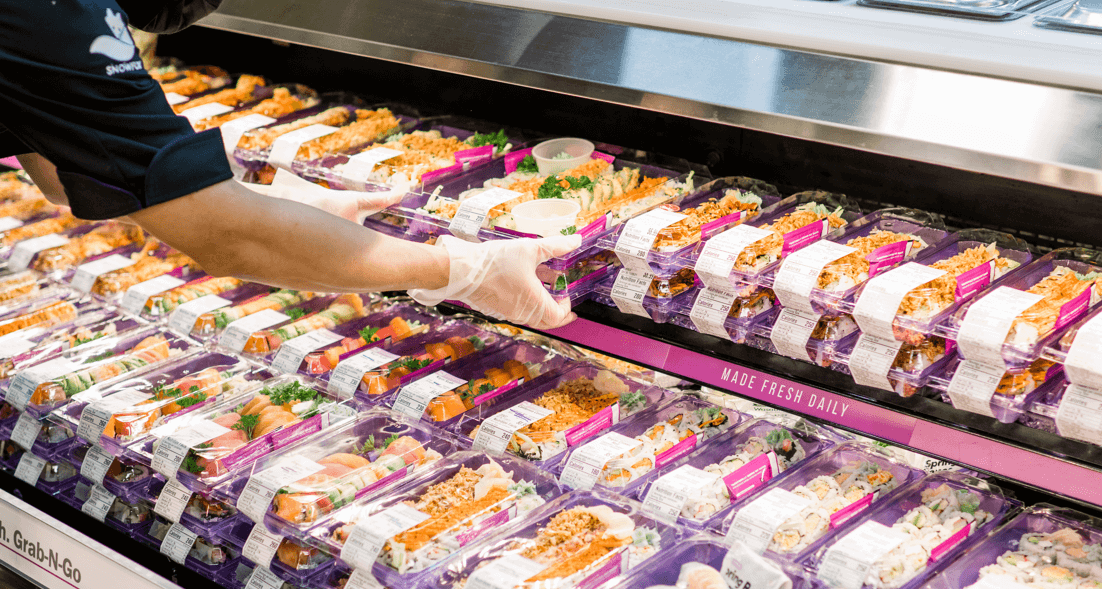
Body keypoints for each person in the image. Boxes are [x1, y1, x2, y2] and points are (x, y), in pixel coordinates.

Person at [0, 0, 580, 330]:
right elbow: (226, 237)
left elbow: (60, 172)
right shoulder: (54, 10)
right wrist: (465, 270)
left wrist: (271, 204)